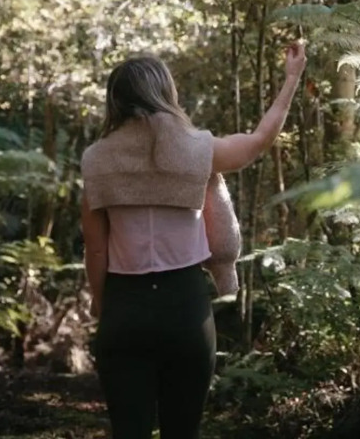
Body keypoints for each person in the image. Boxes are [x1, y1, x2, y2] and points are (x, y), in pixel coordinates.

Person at [79, 41, 307, 439]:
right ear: (166, 93)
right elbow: (258, 142)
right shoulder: (198, 150)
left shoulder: (96, 159)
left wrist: (103, 305)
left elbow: (96, 248)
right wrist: (291, 79)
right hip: (184, 307)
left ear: (115, 99)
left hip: (124, 307)